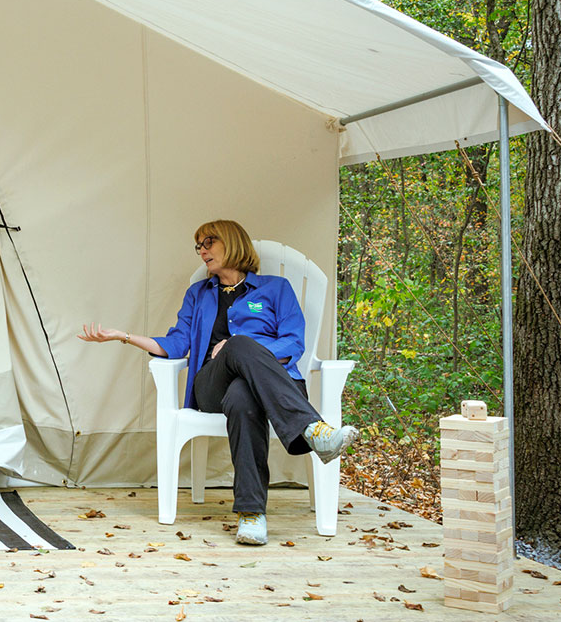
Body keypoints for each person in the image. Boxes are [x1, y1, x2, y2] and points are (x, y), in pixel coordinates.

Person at [78, 220, 358, 546]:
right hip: (213, 385)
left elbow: (294, 344)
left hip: (270, 386)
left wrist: (244, 347)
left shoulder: (276, 288)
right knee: (237, 347)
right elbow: (177, 343)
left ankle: (252, 515)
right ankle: (312, 430)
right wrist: (122, 336)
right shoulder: (198, 294)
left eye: (209, 242)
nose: (202, 250)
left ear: (233, 242)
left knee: (243, 396)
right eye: (198, 246)